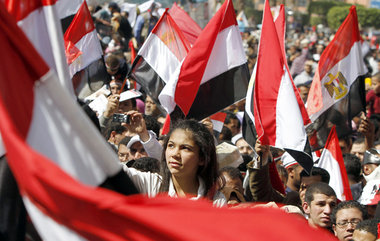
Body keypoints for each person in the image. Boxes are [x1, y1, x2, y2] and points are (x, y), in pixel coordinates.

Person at [122, 119, 226, 206]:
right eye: (171, 146)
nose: (175, 154)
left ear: (202, 159)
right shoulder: (153, 185)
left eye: (185, 148)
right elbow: (112, 169)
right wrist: (106, 117)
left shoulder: (216, 201)